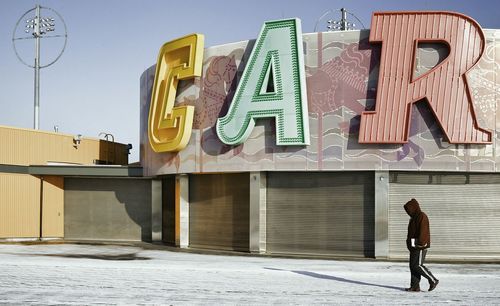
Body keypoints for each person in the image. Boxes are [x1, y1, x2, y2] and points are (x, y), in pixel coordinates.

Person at [404, 198, 439, 292]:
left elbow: (424, 231)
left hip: (420, 245)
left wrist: (421, 243)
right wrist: (409, 243)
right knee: (412, 266)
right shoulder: (413, 218)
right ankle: (415, 286)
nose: (407, 212)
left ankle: (433, 280)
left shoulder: (421, 216)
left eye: (408, 209)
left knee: (417, 265)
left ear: (413, 208)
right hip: (413, 246)